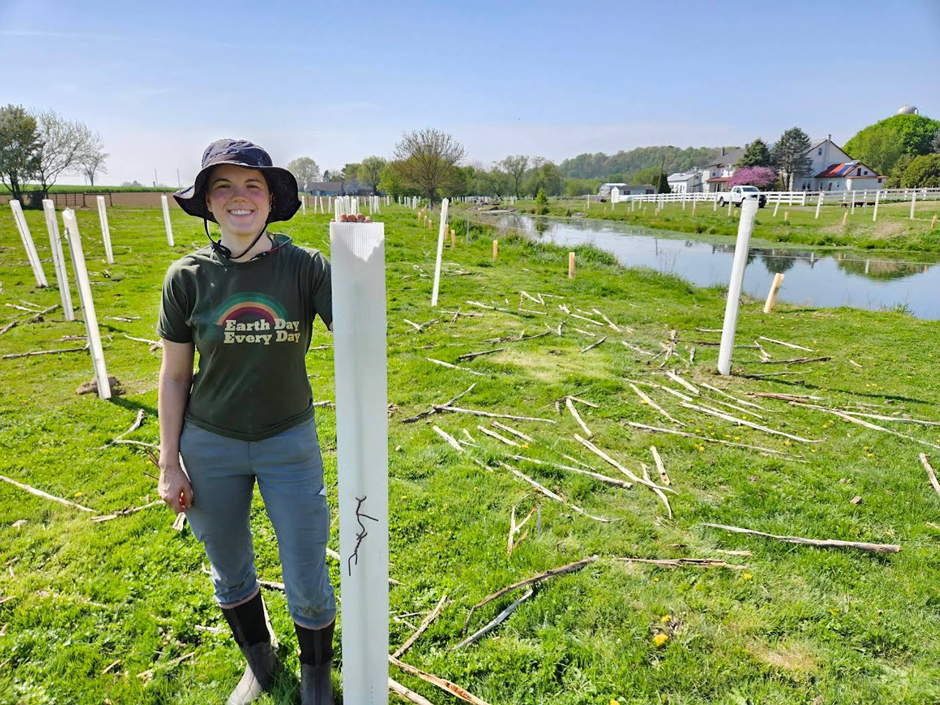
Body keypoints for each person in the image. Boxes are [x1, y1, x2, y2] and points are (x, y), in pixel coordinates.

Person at [157, 138, 338, 704]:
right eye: (224, 187)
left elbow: (361, 328)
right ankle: (260, 665)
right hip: (210, 446)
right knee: (229, 565)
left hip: (290, 441)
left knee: (307, 564)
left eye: (252, 185)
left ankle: (314, 676)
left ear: (270, 198)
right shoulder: (186, 278)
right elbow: (174, 377)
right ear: (208, 204)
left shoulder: (305, 267)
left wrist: (358, 254)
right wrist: (170, 463)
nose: (240, 197)